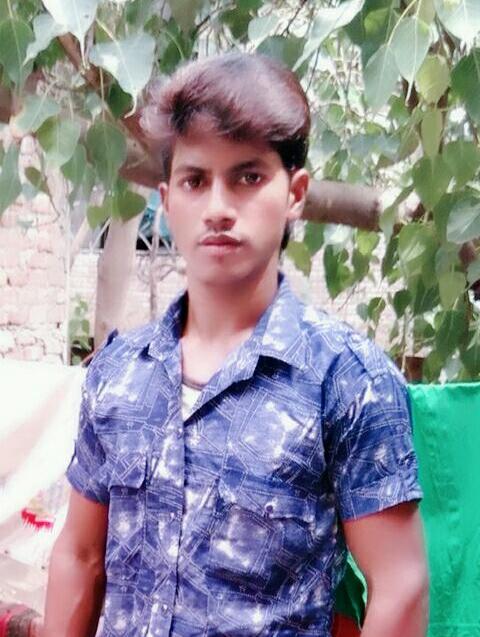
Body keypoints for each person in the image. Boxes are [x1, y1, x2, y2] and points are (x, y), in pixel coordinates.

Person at [42, 52, 429, 637]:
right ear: (167, 198)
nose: (218, 209)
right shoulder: (118, 372)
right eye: (195, 180)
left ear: (295, 192)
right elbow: (79, 555)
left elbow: (400, 585)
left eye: (248, 177)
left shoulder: (348, 380)